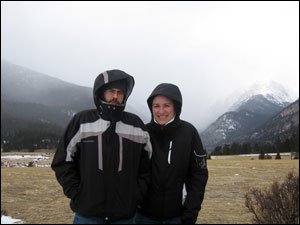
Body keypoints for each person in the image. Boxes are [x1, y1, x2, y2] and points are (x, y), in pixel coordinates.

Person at [51, 69, 152, 224]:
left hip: (124, 216)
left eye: (120, 92)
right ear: (101, 93)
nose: (115, 96)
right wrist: (77, 194)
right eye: (111, 91)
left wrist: (135, 196)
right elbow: (62, 162)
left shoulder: (136, 125)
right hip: (87, 214)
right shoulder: (82, 121)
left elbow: (147, 167)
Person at [135, 83, 208, 224]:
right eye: (156, 106)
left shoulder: (189, 133)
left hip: (177, 216)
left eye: (166, 105)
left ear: (176, 107)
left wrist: (190, 212)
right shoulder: (143, 133)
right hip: (143, 216)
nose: (161, 111)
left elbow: (199, 175)